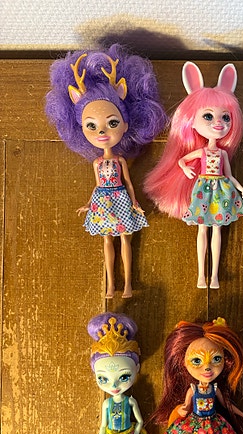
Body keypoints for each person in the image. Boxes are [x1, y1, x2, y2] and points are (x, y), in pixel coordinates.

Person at [46, 45, 166, 298]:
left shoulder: (119, 160)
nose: (101, 132)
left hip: (120, 198)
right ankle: (111, 284)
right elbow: (96, 185)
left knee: (125, 239)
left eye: (112, 123)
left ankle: (128, 284)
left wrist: (135, 202)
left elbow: (129, 183)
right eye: (91, 126)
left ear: (126, 123)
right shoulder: (97, 164)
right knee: (108, 240)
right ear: (79, 128)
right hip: (103, 201)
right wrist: (88, 204)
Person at [145, 62, 243, 289]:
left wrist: (239, 188)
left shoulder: (222, 153)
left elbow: (229, 174)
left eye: (226, 117)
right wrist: (185, 169)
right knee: (203, 229)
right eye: (208, 116)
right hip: (202, 190)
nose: (219, 123)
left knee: (217, 229)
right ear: (190, 121)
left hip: (220, 190)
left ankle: (214, 276)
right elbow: (182, 160)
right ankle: (202, 275)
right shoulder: (201, 152)